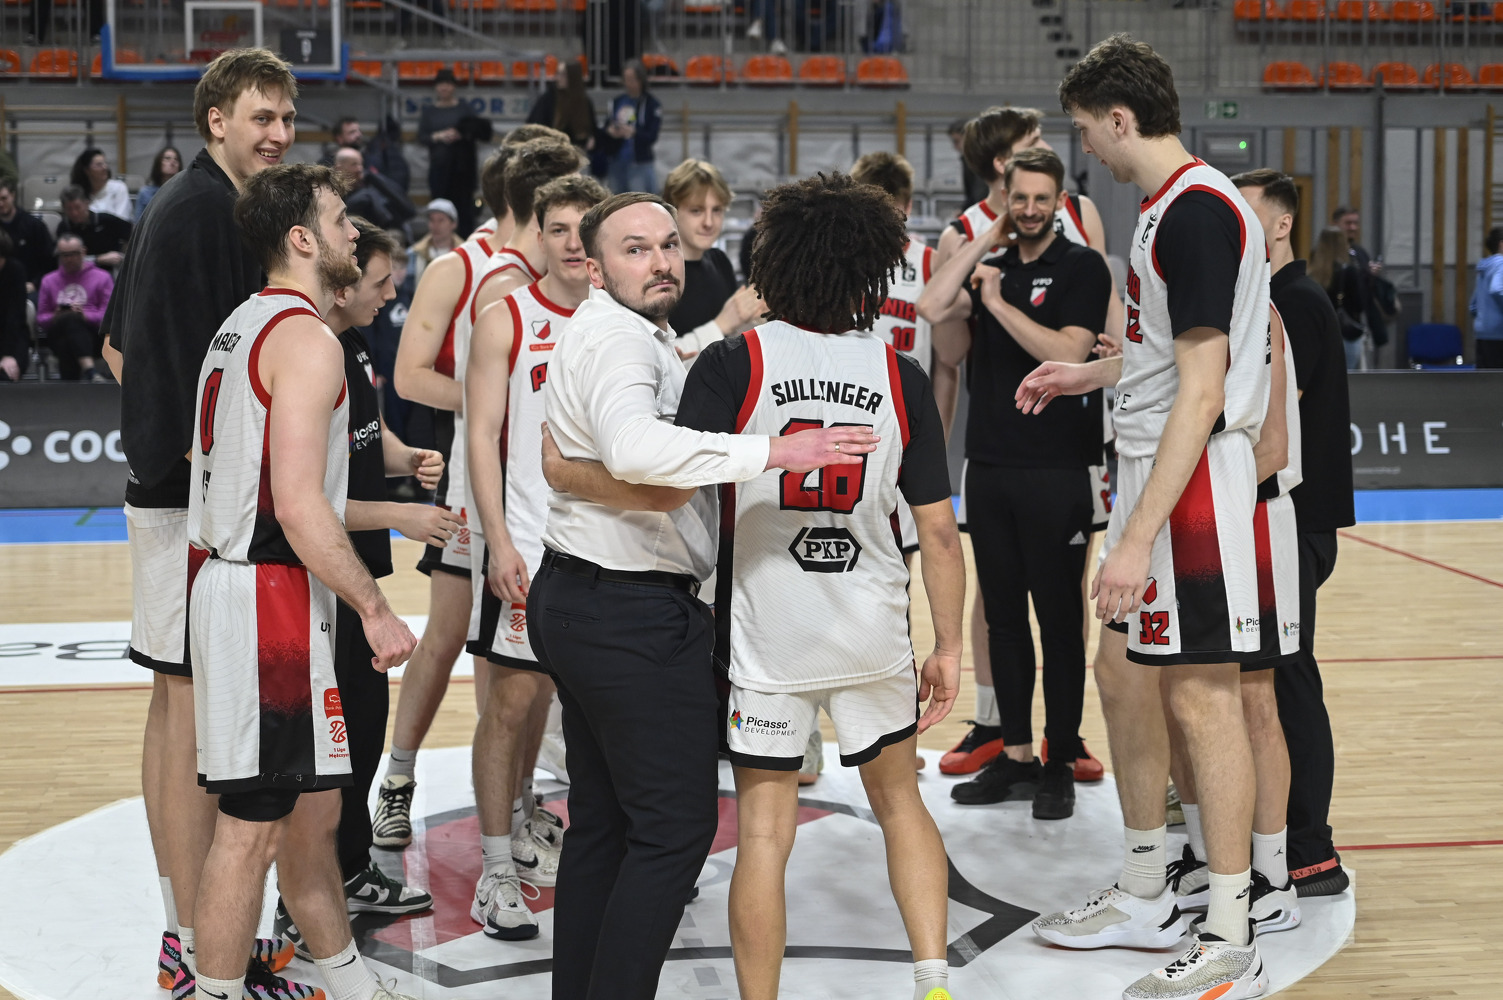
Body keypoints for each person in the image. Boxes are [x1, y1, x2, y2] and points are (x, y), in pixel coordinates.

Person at [527, 190, 879, 1000]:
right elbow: (635, 447)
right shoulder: (620, 340)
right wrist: (776, 451)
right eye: (635, 250)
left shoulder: (620, 330)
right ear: (594, 267)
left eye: (666, 245)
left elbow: (628, 436)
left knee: (604, 826)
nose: (659, 261)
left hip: (581, 599)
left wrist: (573, 473)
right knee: (674, 831)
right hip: (626, 613)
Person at [1019, 34, 1273, 1000]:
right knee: (1120, 673)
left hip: (1193, 484)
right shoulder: (1169, 206)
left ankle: (1230, 930)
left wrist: (1131, 541)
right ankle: (1142, 887)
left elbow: (1203, 390)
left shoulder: (1197, 213)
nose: (1084, 148)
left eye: (1086, 130)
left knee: (1201, 697)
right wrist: (1087, 374)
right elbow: (1169, 359)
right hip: (1152, 467)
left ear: (1119, 119)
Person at [688, 172, 961, 1000]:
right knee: (901, 806)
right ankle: (933, 981)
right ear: (870, 271)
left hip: (765, 630)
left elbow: (676, 493)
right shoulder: (898, 374)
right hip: (870, 624)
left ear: (772, 260)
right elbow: (937, 532)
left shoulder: (733, 362)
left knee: (764, 834)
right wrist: (949, 645)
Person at [99, 48, 314, 998]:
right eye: (261, 116)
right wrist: (207, 475)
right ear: (216, 120)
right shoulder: (199, 215)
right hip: (190, 505)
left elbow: (116, 347)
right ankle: (191, 945)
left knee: (177, 704)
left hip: (180, 495)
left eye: (286, 117)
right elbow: (174, 373)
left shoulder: (191, 205)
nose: (278, 133)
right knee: (188, 712)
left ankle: (186, 932)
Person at [186, 162, 418, 1000]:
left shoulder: (244, 323)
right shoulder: (308, 340)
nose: (354, 230)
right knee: (250, 831)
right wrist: (375, 607)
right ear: (302, 239)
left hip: (253, 590)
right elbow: (297, 503)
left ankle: (348, 981)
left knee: (314, 813)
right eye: (340, 218)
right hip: (265, 602)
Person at [375, 130, 573, 851]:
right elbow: (408, 378)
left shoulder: (562, 274)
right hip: (475, 485)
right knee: (451, 639)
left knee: (519, 657)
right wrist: (496, 398)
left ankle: (515, 801)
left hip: (535, 489)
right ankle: (397, 781)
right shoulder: (463, 268)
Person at [271, 218, 449, 959]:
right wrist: (402, 514)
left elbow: (370, 441)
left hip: (354, 575)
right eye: (379, 281)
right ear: (342, 285)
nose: (390, 293)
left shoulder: (353, 345)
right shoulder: (312, 351)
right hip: (316, 584)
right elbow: (306, 497)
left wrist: (410, 460)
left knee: (364, 734)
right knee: (324, 755)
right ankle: (301, 899)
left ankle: (346, 872)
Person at [915, 148, 1109, 819]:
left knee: (1058, 622)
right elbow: (930, 304)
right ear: (1003, 199)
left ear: (1059, 202)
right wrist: (981, 246)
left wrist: (995, 303)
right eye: (1017, 198)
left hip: (1058, 470)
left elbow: (1069, 354)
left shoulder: (1082, 267)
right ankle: (1017, 756)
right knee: (1002, 619)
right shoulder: (991, 267)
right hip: (991, 467)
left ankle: (1059, 761)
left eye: (1039, 198)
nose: (1028, 209)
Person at [463, 173, 609, 941]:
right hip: (529, 545)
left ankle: (584, 839)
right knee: (510, 705)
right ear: (539, 235)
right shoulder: (507, 317)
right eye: (559, 229)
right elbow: (480, 438)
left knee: (581, 703)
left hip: (606, 550)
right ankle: (495, 872)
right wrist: (497, 539)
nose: (573, 243)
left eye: (586, 228)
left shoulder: (622, 321)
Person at [1233, 169, 1355, 900]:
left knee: (1289, 677)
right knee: (1265, 678)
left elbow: (1270, 415)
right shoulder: (1264, 300)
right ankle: (1270, 830)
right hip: (1274, 517)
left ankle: (1310, 850)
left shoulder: (1294, 303)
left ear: (1280, 225)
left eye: (1247, 213)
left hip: (1295, 518)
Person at [662, 158, 762, 361]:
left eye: (716, 210)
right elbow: (660, 356)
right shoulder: (659, 272)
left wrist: (753, 316)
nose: (708, 222)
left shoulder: (719, 261)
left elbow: (729, 341)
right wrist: (721, 324)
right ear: (672, 211)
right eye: (696, 211)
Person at [419, 68, 489, 235]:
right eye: (441, 84)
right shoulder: (429, 112)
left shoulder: (465, 109)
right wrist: (439, 136)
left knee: (465, 212)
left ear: (454, 87)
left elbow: (480, 131)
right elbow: (422, 136)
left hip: (463, 172)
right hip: (440, 171)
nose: (444, 88)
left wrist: (460, 133)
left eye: (448, 84)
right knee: (440, 211)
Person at [37, 234, 113, 381]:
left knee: (67, 339)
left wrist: (84, 315)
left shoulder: (102, 277)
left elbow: (109, 316)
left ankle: (72, 385)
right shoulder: (49, 280)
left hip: (94, 335)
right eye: (64, 255)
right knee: (69, 320)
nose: (69, 259)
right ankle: (90, 371)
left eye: (73, 254)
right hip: (58, 330)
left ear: (83, 252)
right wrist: (56, 315)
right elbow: (41, 318)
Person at [1331, 205, 1390, 358]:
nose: (1353, 227)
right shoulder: (1328, 252)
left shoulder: (1359, 252)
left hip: (1359, 321)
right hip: (1336, 323)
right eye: (1348, 223)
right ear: (1336, 224)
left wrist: (1371, 274)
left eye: (1355, 223)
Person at [1308, 226, 1364, 370]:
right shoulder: (1349, 272)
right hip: (1345, 333)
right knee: (1348, 377)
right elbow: (1359, 304)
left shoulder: (1311, 275)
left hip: (1318, 334)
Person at [604, 60, 662, 194]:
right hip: (617, 161)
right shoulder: (616, 102)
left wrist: (634, 133)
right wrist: (611, 131)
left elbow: (652, 136)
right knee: (615, 200)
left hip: (640, 163)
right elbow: (606, 126)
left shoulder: (652, 104)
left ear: (641, 80)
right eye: (626, 79)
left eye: (632, 79)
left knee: (640, 200)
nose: (628, 84)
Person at [336, 147, 417, 232]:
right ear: (339, 168)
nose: (359, 169)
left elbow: (408, 210)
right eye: (354, 164)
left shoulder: (372, 187)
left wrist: (373, 178)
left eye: (361, 164)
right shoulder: (333, 191)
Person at [526, 60, 597, 155]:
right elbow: (534, 125)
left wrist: (591, 138)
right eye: (557, 73)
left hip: (578, 152)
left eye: (563, 74)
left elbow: (591, 129)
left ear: (573, 76)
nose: (558, 78)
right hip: (552, 152)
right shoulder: (549, 99)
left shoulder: (584, 101)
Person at [55, 186, 131, 275]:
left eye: (77, 207)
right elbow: (63, 259)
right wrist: (98, 259)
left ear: (86, 204)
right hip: (77, 273)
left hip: (111, 272)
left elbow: (133, 234)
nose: (74, 213)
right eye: (69, 209)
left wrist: (124, 256)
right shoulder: (63, 227)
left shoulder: (106, 220)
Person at [0, 178, 56, 294]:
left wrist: (35, 284)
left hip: (30, 286)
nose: (0, 204)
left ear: (13, 196)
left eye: (4, 198)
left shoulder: (34, 226)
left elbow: (49, 262)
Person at [71, 147, 133, 221]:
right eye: (99, 165)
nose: (105, 167)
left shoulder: (119, 188)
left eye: (105, 163)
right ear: (87, 170)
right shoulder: (79, 193)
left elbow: (122, 220)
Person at [1472, 226, 1503, 369]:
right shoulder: (1501, 264)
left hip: (1483, 333)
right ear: (1501, 244)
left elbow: (1473, 305)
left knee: (1484, 379)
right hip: (1499, 334)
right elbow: (1497, 289)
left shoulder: (1485, 267)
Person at [408, 198, 461, 281]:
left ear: (454, 224)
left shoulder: (466, 254)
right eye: (431, 220)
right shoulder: (414, 254)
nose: (435, 225)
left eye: (441, 220)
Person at [0, 232, 28, 380]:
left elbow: (15, 316)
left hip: (12, 336)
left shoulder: (15, 270)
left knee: (7, 373)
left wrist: (7, 354)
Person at [135, 146, 183, 222]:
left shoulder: (184, 192)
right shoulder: (145, 193)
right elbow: (138, 223)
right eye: (167, 158)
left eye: (176, 159)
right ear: (158, 163)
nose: (172, 162)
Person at [949, 117, 988, 206]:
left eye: (956, 141)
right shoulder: (970, 159)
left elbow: (979, 194)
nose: (955, 146)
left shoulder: (978, 160)